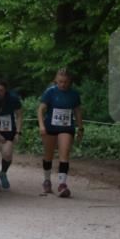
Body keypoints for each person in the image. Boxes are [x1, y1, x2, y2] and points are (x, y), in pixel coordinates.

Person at [37, 67, 83, 197]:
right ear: (56, 81)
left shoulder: (74, 94)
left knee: (65, 153)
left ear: (70, 82)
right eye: (60, 82)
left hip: (66, 127)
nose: (63, 84)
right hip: (50, 127)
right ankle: (47, 180)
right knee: (48, 155)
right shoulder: (50, 92)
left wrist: (80, 127)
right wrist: (41, 126)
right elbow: (41, 110)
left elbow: (78, 111)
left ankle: (62, 185)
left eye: (66, 82)